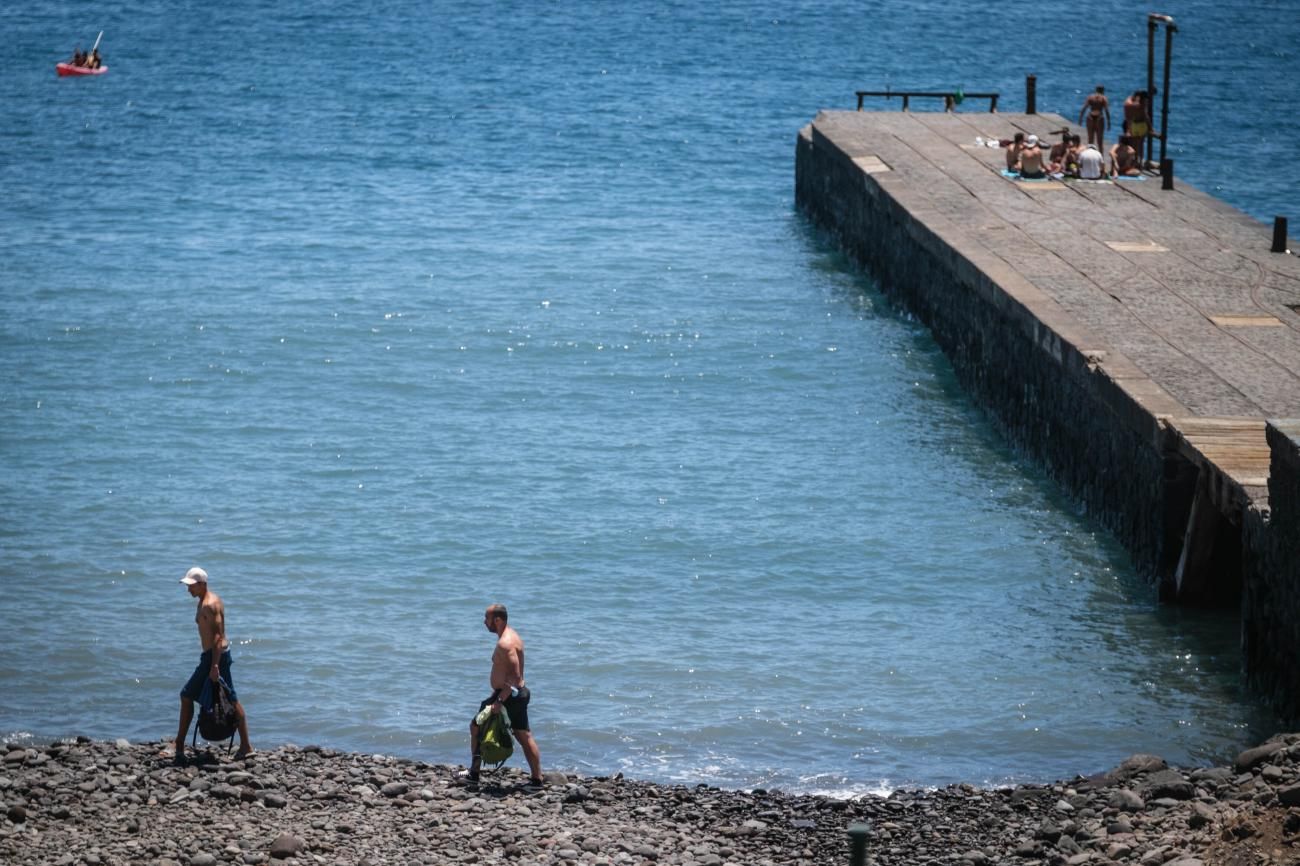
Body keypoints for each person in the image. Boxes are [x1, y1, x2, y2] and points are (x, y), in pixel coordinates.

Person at [166, 567, 253, 765]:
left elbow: (218, 637)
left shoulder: (209, 605)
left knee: (187, 695)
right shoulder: (207, 600)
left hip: (215, 658)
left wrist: (214, 666)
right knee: (230, 698)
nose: (189, 590)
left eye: (192, 586)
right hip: (214, 657)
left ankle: (179, 745)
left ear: (203, 584)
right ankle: (246, 746)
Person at [466, 604, 543, 785]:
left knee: (476, 725)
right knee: (523, 735)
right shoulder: (509, 636)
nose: (485, 622)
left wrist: (499, 701)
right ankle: (537, 779)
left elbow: (515, 677)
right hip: (515, 694)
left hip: (509, 696)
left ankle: (474, 774)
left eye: (487, 619)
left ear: (498, 620)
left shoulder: (506, 643)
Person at [1078, 85, 1111, 151]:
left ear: (1096, 90)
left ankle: (1090, 155)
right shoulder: (1103, 98)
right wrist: (1108, 122)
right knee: (1100, 141)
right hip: (1099, 117)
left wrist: (1080, 119)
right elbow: (1106, 110)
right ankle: (1101, 158)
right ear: (1103, 90)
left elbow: (1084, 108)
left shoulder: (1090, 97)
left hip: (1090, 117)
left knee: (1090, 139)